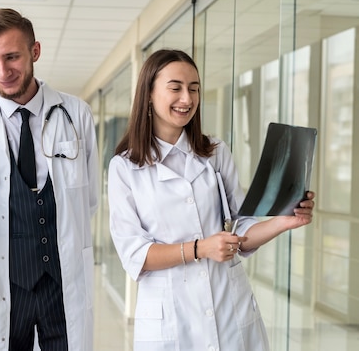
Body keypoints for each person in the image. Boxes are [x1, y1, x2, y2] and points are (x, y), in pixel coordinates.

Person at [107, 49, 315, 351]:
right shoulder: (125, 167)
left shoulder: (215, 152)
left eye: (194, 88)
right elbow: (135, 254)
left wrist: (284, 221)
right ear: (149, 93)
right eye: (175, 87)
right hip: (171, 315)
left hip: (229, 306)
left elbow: (241, 229)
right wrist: (200, 248)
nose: (187, 99)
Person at [0, 8, 99, 351]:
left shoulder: (76, 114)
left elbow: (88, 201)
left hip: (63, 285)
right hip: (6, 287)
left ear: (35, 52)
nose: (2, 71)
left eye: (11, 56)